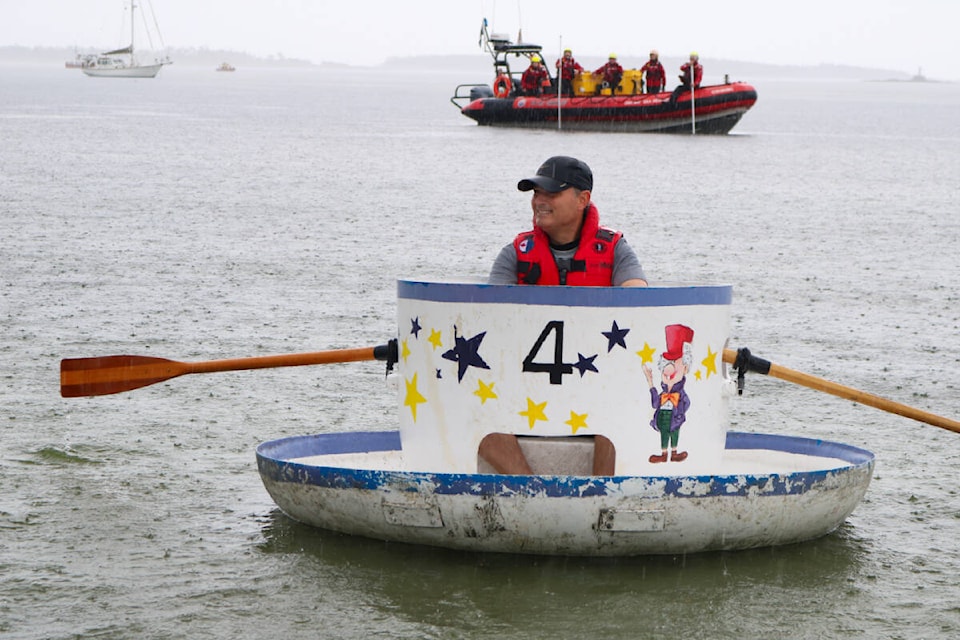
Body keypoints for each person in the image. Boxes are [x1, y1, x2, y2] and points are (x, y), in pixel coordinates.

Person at [484, 156, 648, 475]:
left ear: (582, 199)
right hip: (525, 387)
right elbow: (488, 319)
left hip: (595, 385)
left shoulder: (616, 250)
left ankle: (599, 502)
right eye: (535, 193)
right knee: (471, 408)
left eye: (550, 193)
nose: (539, 201)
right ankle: (531, 492)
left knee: (620, 410)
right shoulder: (514, 254)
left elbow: (640, 302)